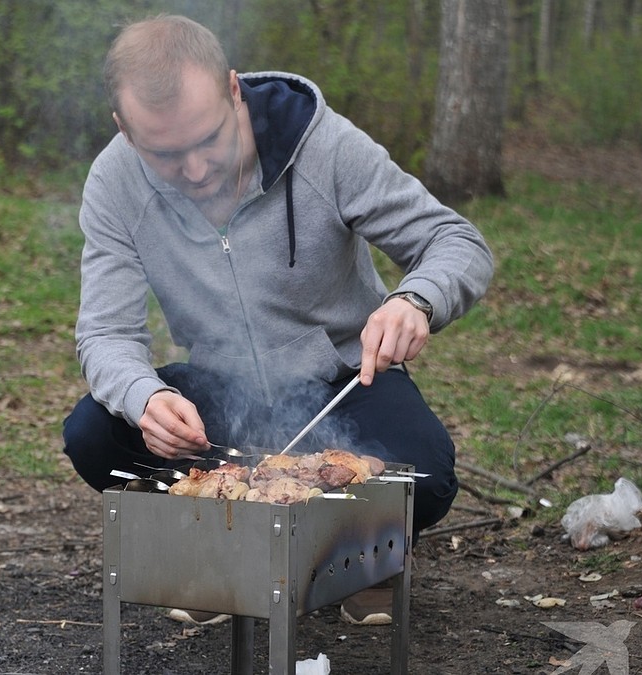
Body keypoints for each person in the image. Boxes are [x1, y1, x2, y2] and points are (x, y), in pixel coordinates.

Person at [62, 15, 493, 626]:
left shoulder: (322, 145)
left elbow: (455, 241)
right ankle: (215, 553)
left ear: (233, 90)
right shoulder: (114, 182)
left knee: (425, 476)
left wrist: (416, 299)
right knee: (92, 433)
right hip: (218, 393)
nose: (194, 170)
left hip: (345, 383)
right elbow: (106, 332)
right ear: (124, 131)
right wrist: (144, 396)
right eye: (164, 153)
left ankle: (361, 562)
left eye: (207, 139)